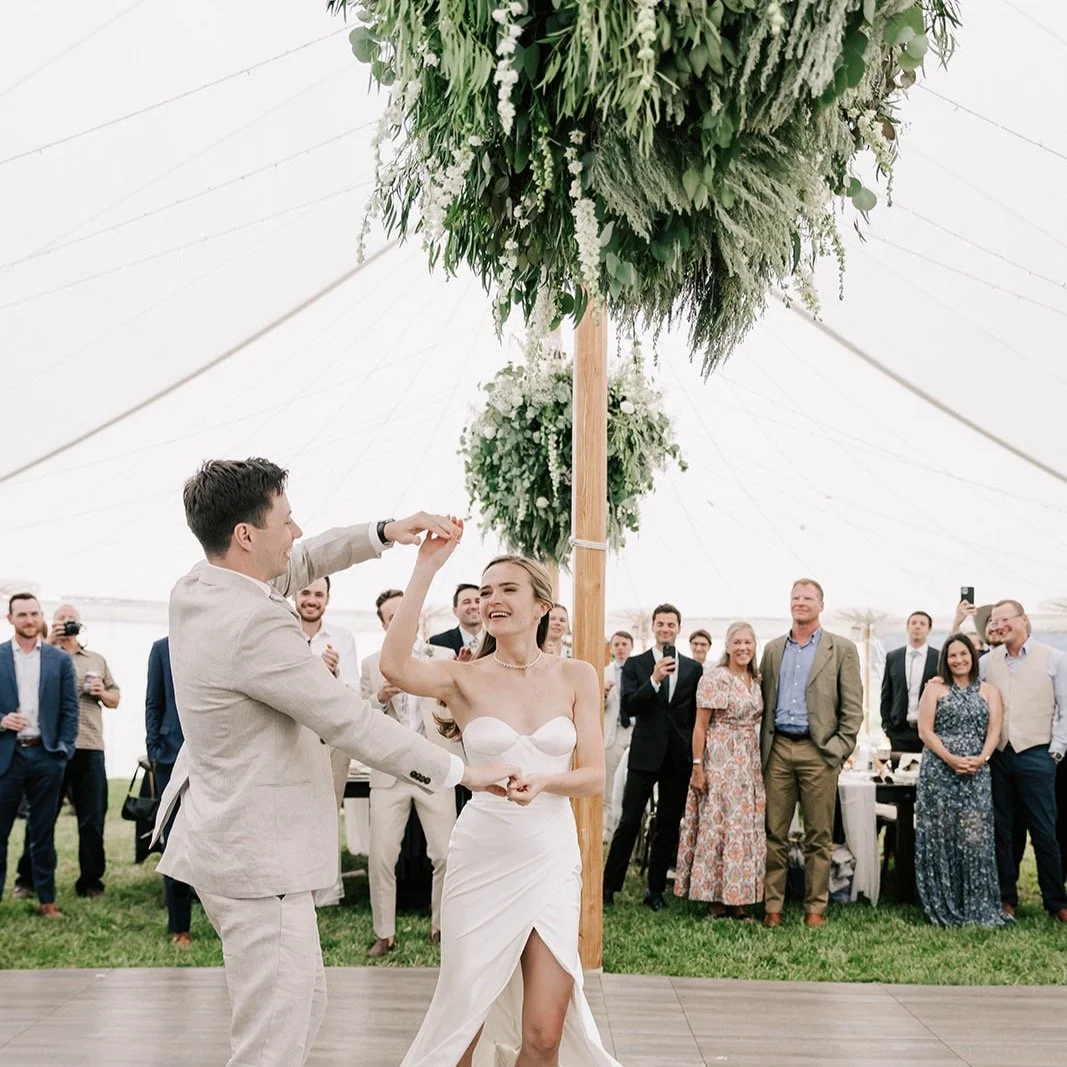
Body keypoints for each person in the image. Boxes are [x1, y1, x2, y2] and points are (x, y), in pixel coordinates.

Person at [151, 458, 514, 1067]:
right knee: (272, 1040)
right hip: (258, 859)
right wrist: (457, 772)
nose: (296, 534)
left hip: (228, 839)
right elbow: (349, 720)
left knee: (300, 1008)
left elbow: (304, 560)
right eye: (286, 521)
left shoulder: (199, 585)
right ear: (246, 535)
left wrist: (384, 532)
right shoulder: (253, 624)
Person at [379, 529, 617, 1067]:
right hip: (483, 855)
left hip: (550, 856)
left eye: (507, 590)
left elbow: (595, 776)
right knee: (463, 1022)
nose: (492, 601)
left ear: (542, 608)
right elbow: (394, 666)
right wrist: (425, 570)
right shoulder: (462, 677)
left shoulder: (578, 674)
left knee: (544, 1034)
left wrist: (547, 783)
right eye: (485, 592)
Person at [759, 579, 863, 928]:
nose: (800, 603)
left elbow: (853, 710)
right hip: (779, 751)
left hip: (818, 752)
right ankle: (772, 905)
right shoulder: (773, 649)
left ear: (821, 605)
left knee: (818, 835)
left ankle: (815, 907)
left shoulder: (842, 649)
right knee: (774, 833)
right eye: (795, 597)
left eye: (807, 598)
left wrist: (835, 751)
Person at [361, 588, 459, 958]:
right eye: (391, 616)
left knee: (446, 854)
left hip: (433, 767)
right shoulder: (372, 664)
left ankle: (441, 925)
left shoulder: (443, 657)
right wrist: (381, 697)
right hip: (390, 772)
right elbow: (359, 715)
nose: (398, 620)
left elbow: (458, 703)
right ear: (385, 623)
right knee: (381, 855)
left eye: (404, 613)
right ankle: (384, 933)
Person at [603, 603, 703, 912]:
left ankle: (655, 889)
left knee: (668, 824)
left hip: (677, 757)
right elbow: (630, 706)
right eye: (660, 624)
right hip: (644, 753)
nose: (665, 629)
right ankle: (609, 887)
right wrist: (655, 680)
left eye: (671, 624)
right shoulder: (636, 664)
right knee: (629, 820)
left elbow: (693, 715)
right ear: (653, 628)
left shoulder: (693, 668)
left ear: (678, 628)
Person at [17, 604, 120, 899]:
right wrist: (48, 644)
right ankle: (27, 880)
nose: (66, 623)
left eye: (71, 619)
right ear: (51, 624)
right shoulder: (40, 656)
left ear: (80, 624)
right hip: (52, 746)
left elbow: (116, 698)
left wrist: (102, 693)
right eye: (61, 619)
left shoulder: (96, 659)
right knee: (42, 816)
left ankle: (90, 882)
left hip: (90, 745)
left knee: (92, 819)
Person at [980, 600, 1067, 921]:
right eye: (994, 621)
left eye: (1005, 619)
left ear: (1023, 620)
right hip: (1000, 756)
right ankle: (1006, 899)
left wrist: (1056, 751)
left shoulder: (1055, 658)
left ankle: (1056, 901)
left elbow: (1065, 708)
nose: (1000, 625)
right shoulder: (988, 662)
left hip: (1037, 754)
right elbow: (959, 678)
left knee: (1045, 831)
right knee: (1003, 831)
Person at [914, 633, 1005, 927]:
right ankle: (943, 900)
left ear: (973, 656)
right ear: (945, 660)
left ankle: (976, 902)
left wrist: (982, 757)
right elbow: (925, 732)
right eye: (952, 656)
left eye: (963, 654)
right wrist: (951, 759)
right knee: (941, 834)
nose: (958, 660)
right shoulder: (935, 689)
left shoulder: (989, 691)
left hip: (977, 771)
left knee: (974, 837)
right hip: (939, 771)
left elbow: (995, 729)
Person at [675, 621, 765, 920]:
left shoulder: (757, 679)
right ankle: (715, 897)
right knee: (719, 825)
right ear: (727, 646)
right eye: (737, 643)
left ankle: (738, 897)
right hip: (720, 759)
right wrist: (698, 767)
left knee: (743, 828)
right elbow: (700, 727)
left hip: (748, 764)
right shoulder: (716, 679)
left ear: (754, 647)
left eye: (747, 643)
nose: (742, 648)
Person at [0, 594, 79, 918]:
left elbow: (70, 709)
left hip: (46, 756)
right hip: (7, 756)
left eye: (34, 614)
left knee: (43, 833)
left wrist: (62, 751)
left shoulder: (59, 660)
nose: (29, 620)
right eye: (22, 615)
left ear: (41, 616)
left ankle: (46, 899)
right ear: (10, 618)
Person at [294, 575, 361, 907]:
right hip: (288, 738)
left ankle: (322, 890)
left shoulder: (343, 638)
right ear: (295, 595)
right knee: (289, 813)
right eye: (306, 592)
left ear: (327, 599)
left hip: (329, 742)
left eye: (318, 594)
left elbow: (353, 694)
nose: (311, 599)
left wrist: (330, 676)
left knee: (325, 814)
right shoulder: (280, 632)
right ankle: (290, 886)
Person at [145, 636, 194, 945]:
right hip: (170, 755)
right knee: (175, 841)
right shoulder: (162, 648)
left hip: (216, 756)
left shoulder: (221, 638)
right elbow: (154, 702)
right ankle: (180, 927)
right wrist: (155, 750)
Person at [880, 611, 939, 753]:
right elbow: (886, 694)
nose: (917, 627)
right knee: (898, 772)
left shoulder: (938, 657)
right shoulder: (893, 657)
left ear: (929, 630)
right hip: (899, 731)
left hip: (928, 731)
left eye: (922, 624)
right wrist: (887, 726)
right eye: (913, 623)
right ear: (907, 627)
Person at [602, 630, 634, 840]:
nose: (620, 648)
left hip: (634, 730)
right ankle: (607, 829)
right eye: (617, 644)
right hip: (613, 732)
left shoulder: (639, 670)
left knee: (630, 782)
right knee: (609, 781)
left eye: (624, 644)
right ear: (612, 648)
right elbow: (598, 706)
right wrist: (603, 694)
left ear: (631, 647)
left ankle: (629, 827)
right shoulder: (604, 673)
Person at [429, 583, 482, 659]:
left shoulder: (497, 641)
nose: (474, 606)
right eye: (466, 602)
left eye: (478, 601)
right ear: (455, 611)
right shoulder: (436, 643)